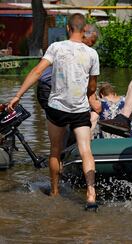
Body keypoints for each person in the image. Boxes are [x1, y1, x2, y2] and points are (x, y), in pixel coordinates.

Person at [7, 13, 100, 210]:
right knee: (86, 151)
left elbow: (38, 71)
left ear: (68, 28)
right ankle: (91, 192)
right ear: (84, 31)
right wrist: (89, 96)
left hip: (57, 108)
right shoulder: (92, 54)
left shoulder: (56, 47)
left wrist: (18, 95)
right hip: (80, 109)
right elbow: (92, 87)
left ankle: (55, 191)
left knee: (55, 150)